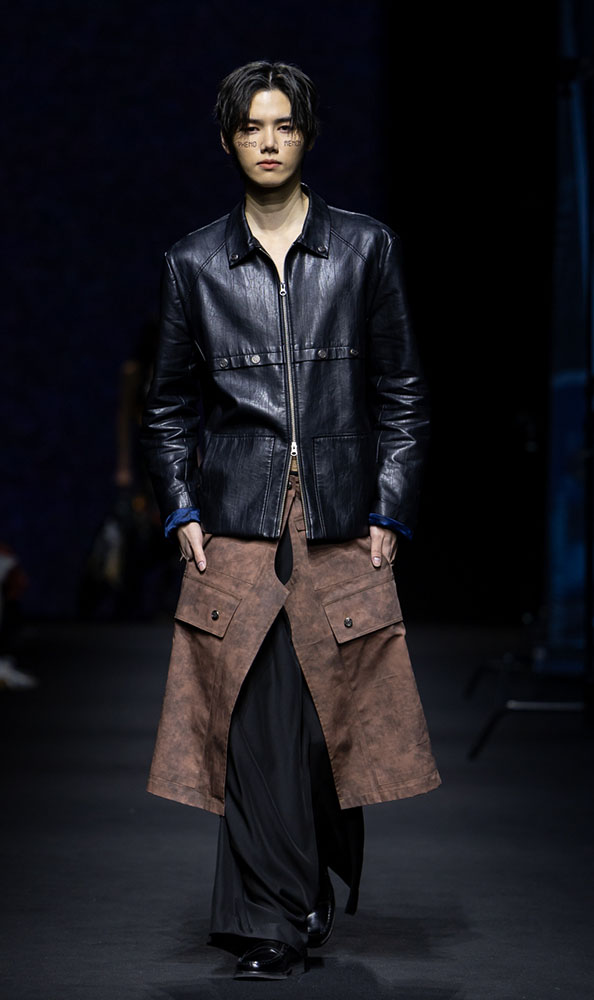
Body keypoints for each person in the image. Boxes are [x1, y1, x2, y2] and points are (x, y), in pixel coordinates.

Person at [141, 61, 440, 981]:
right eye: (250, 127)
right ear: (228, 140)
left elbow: (404, 389)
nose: (268, 142)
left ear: (307, 134)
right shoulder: (194, 262)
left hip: (341, 517)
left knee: (325, 724)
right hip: (238, 520)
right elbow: (167, 403)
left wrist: (391, 504)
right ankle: (268, 915)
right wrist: (181, 505)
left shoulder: (365, 248)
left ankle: (307, 876)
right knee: (254, 719)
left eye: (283, 125)